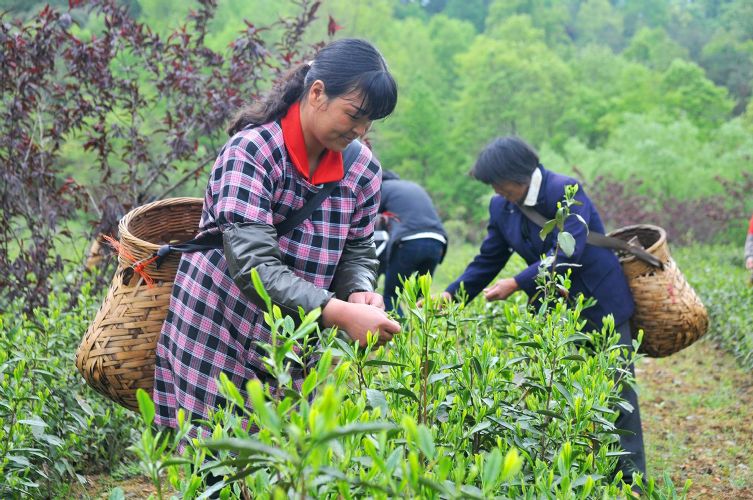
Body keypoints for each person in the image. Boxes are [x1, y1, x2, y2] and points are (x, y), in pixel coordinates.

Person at [153, 39, 401, 433]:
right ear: (317, 93)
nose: (360, 130)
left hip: (293, 340)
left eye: (369, 122)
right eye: (354, 114)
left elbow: (358, 246)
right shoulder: (252, 152)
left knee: (280, 462)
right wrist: (339, 313)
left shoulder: (363, 169)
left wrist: (358, 290)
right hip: (217, 329)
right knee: (211, 459)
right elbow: (255, 266)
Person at [439, 136, 646, 486]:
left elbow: (569, 252)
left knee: (616, 387)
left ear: (518, 174)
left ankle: (630, 477)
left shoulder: (565, 190)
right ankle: (574, 467)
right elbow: (489, 259)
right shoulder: (501, 207)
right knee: (553, 384)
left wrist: (517, 283)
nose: (496, 190)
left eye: (498, 182)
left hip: (599, 303)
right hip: (552, 307)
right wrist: (450, 295)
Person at [377, 170, 447, 312]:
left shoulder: (382, 188)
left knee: (390, 296)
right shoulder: (413, 186)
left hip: (409, 242)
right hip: (437, 241)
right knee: (420, 297)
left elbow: (369, 217)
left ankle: (399, 333)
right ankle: (423, 332)